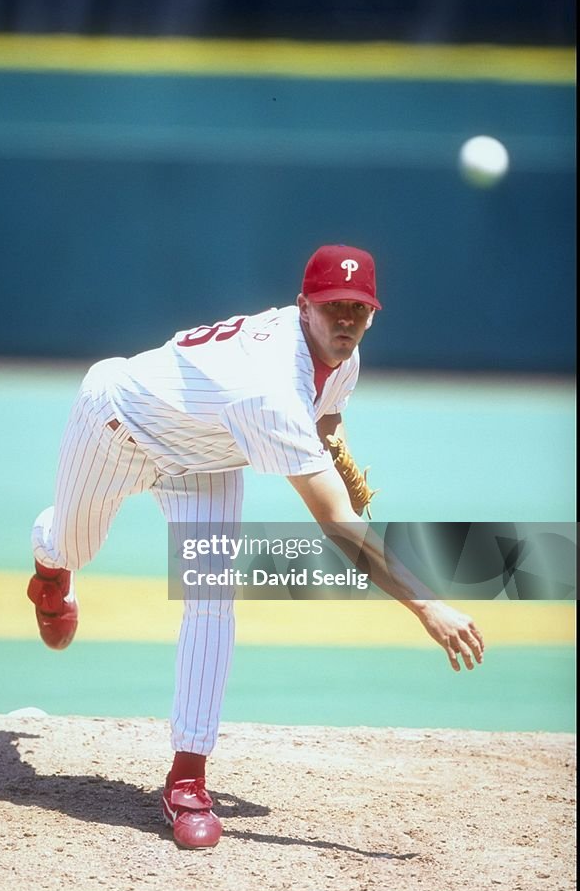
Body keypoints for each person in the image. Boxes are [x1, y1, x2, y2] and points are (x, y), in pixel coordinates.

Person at [27, 244, 485, 850]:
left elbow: (326, 415)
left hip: (207, 458)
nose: (345, 320)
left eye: (358, 307)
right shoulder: (266, 390)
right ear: (303, 306)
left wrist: (335, 450)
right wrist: (428, 605)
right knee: (73, 546)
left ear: (373, 312)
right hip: (117, 426)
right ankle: (49, 564)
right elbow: (339, 526)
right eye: (331, 307)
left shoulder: (342, 355)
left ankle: (187, 780)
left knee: (212, 597)